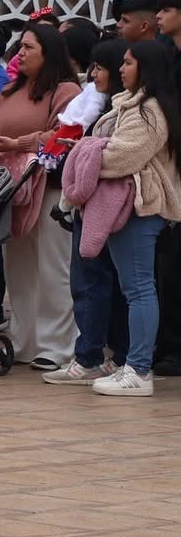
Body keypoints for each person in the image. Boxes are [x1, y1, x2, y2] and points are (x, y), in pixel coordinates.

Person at [0, 24, 79, 369]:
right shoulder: (9, 91)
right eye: (20, 47)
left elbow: (63, 134)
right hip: (11, 189)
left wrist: (17, 144)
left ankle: (57, 346)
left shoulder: (65, 90)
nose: (20, 53)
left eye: (29, 47)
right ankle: (23, 340)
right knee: (17, 267)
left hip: (49, 189)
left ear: (49, 53)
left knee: (53, 267)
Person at [78, 38, 181, 396]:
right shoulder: (131, 105)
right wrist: (93, 148)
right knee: (134, 288)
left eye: (128, 62)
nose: (121, 69)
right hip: (128, 208)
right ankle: (133, 365)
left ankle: (138, 370)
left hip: (140, 208)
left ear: (146, 68)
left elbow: (120, 158)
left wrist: (84, 152)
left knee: (138, 289)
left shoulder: (150, 110)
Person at [45, 40, 134, 386]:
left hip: (106, 206)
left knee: (93, 282)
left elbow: (107, 158)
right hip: (91, 205)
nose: (93, 74)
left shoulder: (123, 110)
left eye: (102, 67)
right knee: (96, 282)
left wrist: (83, 153)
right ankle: (107, 354)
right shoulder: (92, 106)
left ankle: (92, 357)